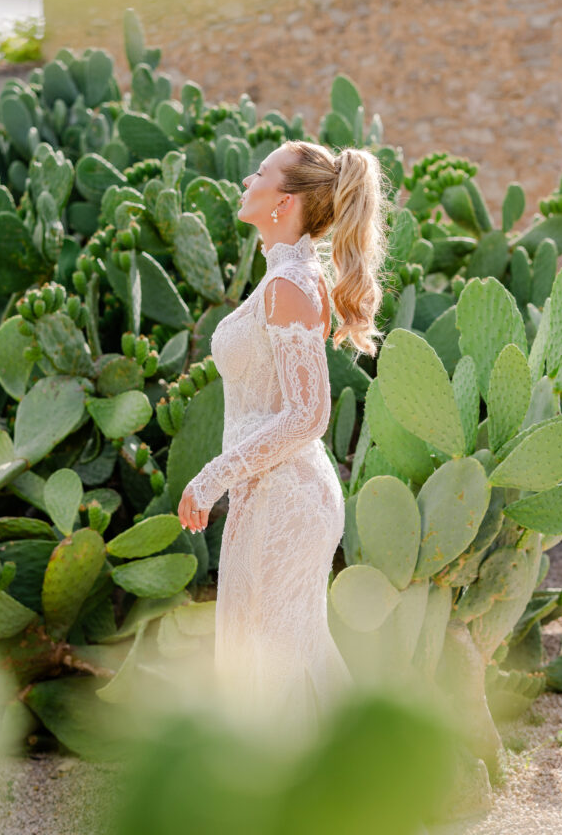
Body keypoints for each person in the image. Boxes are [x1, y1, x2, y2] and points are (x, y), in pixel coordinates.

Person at [177, 139, 390, 741]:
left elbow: (308, 414)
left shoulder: (290, 284)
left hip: (287, 498)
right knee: (270, 662)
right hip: (272, 494)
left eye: (262, 171)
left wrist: (212, 475)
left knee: (272, 667)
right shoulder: (285, 277)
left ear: (284, 201)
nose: (250, 176)